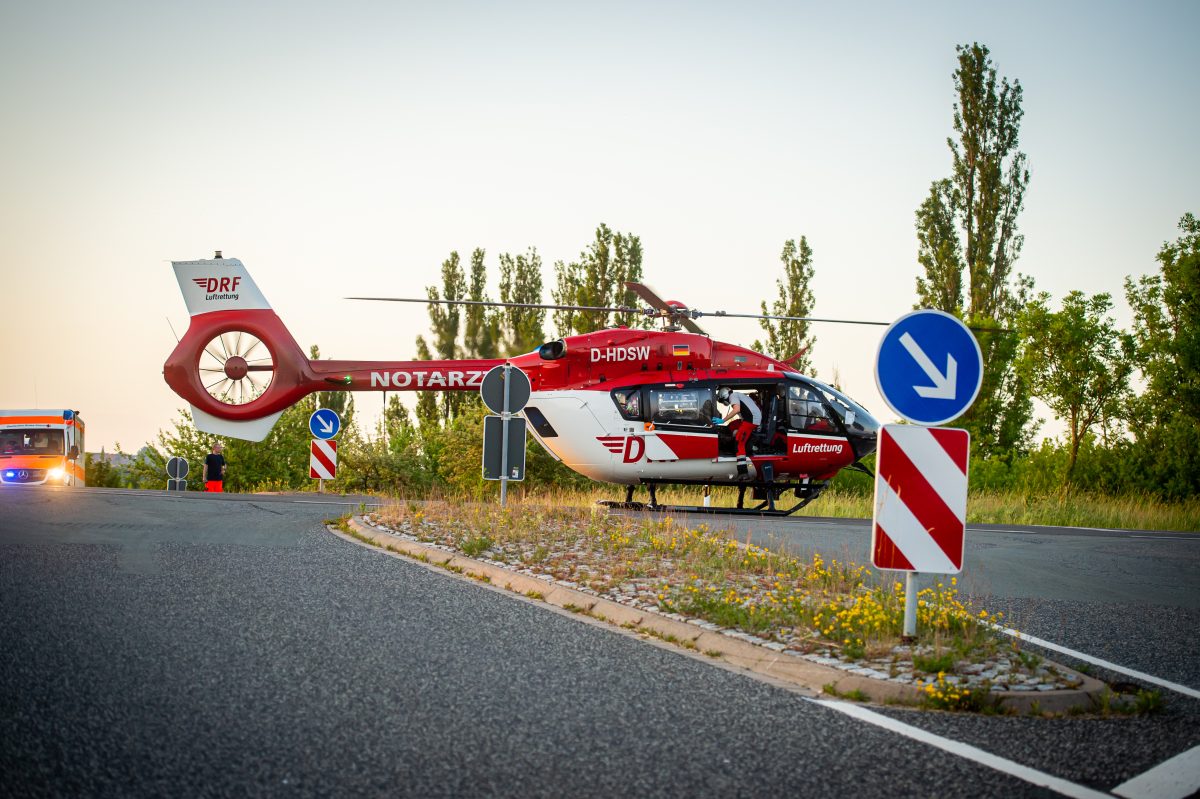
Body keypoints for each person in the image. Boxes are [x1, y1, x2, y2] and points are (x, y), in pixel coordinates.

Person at [717, 386, 762, 458]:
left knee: (739, 442)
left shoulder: (733, 396)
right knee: (733, 426)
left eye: (723, 400)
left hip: (751, 420)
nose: (724, 402)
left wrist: (723, 420)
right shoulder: (738, 396)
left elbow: (736, 409)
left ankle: (742, 465)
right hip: (751, 419)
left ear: (724, 395)